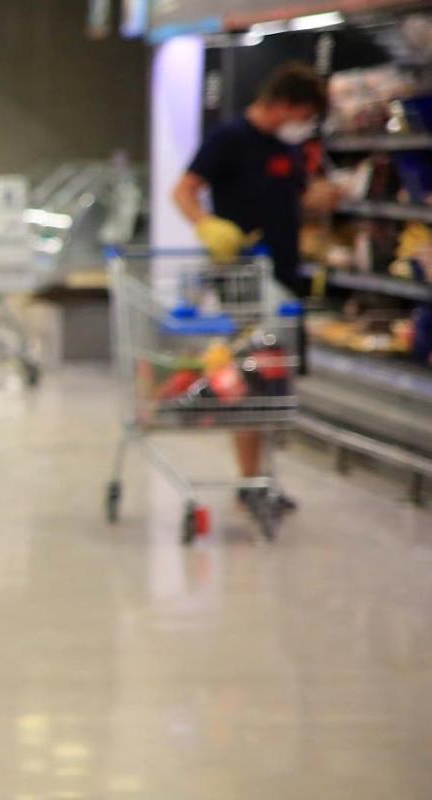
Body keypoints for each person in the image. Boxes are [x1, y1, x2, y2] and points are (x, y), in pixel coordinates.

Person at [172, 61, 343, 517]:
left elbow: (293, 199)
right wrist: (206, 225)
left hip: (284, 276)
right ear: (283, 104)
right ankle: (250, 479)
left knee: (275, 381)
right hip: (243, 278)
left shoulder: (286, 148)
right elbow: (184, 190)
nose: (305, 124)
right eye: (304, 114)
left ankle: (262, 478)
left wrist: (324, 198)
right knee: (250, 377)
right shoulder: (229, 138)